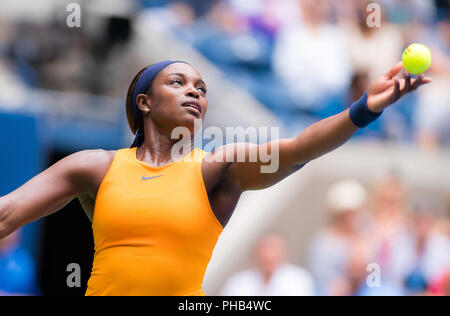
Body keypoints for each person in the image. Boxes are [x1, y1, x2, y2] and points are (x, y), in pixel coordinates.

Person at [0, 60, 431, 295]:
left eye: (201, 88)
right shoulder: (95, 166)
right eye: (179, 82)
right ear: (145, 102)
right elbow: (7, 215)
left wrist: (365, 108)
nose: (194, 91)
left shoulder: (216, 169)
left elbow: (301, 148)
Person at [220, 233, 315, 296]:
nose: (268, 256)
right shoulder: (238, 282)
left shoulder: (299, 280)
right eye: (264, 249)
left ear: (284, 253)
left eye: (273, 249)